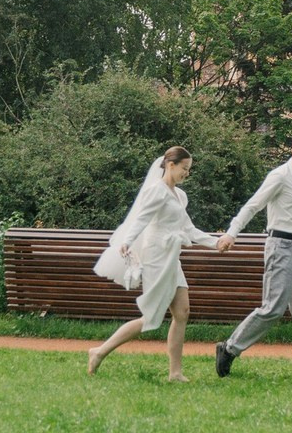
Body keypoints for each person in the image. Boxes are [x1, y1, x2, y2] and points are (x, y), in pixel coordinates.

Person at [88, 145, 218, 382]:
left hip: (172, 257)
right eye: (184, 168)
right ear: (170, 165)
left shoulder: (180, 196)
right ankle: (99, 351)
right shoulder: (156, 191)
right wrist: (126, 242)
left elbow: (187, 228)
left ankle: (175, 372)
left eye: (189, 170)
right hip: (156, 257)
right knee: (150, 318)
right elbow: (141, 220)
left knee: (182, 312)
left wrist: (215, 243)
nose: (186, 173)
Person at [215, 132, 292, 376]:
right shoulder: (279, 177)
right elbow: (253, 205)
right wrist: (231, 233)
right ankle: (229, 348)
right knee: (273, 309)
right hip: (280, 246)